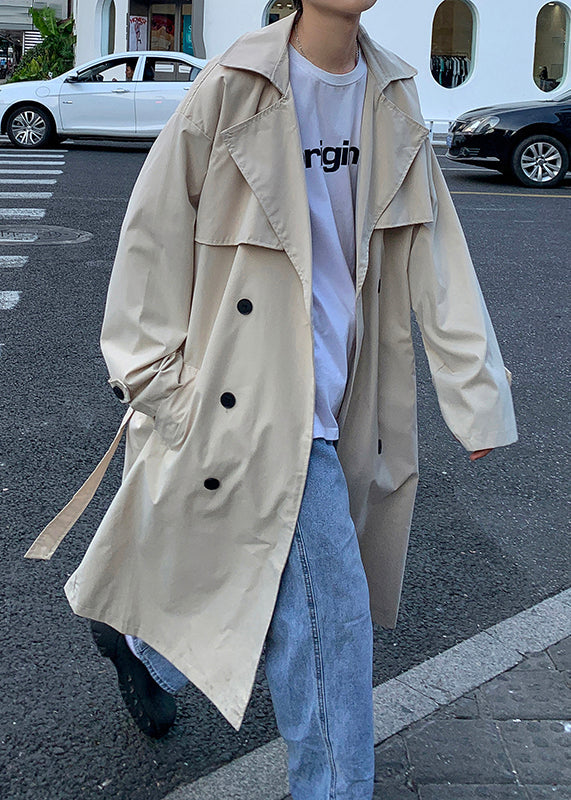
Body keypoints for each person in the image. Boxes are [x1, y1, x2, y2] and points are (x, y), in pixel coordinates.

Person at [27, 2, 517, 798]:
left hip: (346, 390)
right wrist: (159, 384)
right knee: (332, 622)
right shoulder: (234, 83)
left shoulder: (390, 90)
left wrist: (473, 389)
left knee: (263, 575)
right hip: (246, 392)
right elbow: (153, 233)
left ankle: (143, 650)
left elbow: (436, 251)